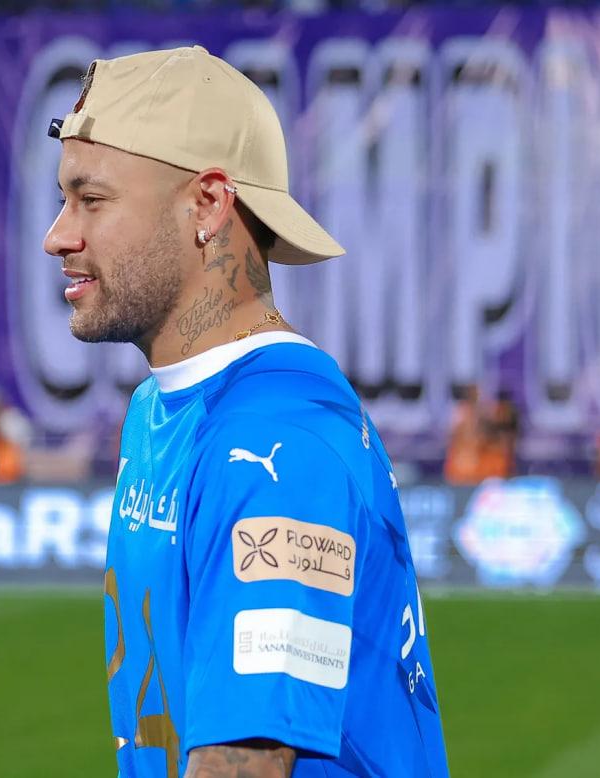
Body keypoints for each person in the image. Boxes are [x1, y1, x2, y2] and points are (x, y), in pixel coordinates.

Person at [42, 46, 448, 778]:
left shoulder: (278, 443)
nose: (58, 235)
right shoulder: (158, 408)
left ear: (208, 204)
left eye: (90, 200)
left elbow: (245, 763)